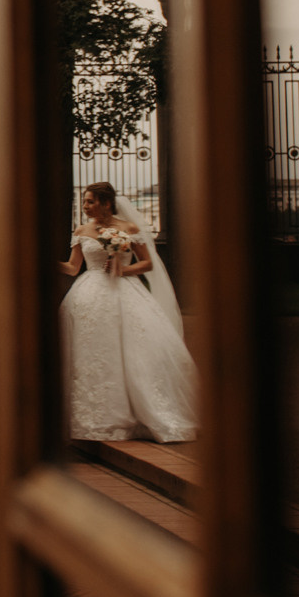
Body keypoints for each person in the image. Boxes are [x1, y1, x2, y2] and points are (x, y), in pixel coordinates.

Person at [61, 181, 197, 443]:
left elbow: (147, 263)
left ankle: (140, 409)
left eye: (90, 201)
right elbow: (72, 267)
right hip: (89, 292)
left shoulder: (128, 229)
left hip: (125, 292)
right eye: (86, 201)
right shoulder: (81, 230)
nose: (86, 206)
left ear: (106, 202)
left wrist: (124, 269)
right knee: (91, 350)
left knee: (133, 348)